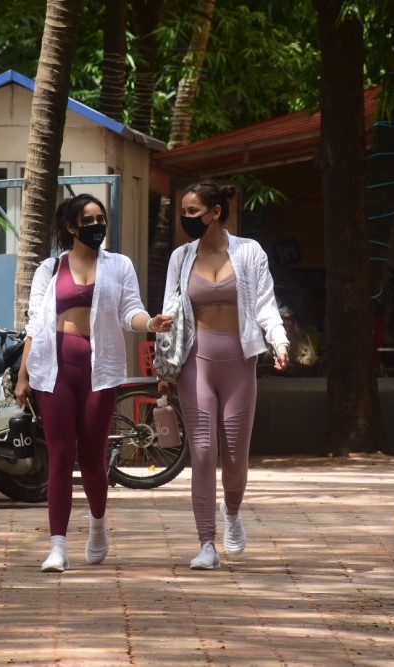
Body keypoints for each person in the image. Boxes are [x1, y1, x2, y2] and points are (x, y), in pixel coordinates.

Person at [16, 193, 173, 573]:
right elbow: (35, 324)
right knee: (59, 455)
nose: (96, 225)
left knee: (92, 458)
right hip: (54, 367)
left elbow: (130, 311)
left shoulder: (119, 265)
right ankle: (57, 546)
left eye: (100, 218)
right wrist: (23, 375)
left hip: (99, 368)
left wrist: (149, 324)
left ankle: (99, 525)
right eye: (87, 220)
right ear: (71, 227)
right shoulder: (49, 269)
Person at [158, 180, 290, 570]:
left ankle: (231, 511)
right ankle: (206, 544)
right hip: (195, 360)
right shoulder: (181, 258)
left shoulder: (249, 253)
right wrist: (164, 365)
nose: (186, 219)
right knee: (202, 452)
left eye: (193, 212)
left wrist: (279, 341)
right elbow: (170, 309)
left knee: (234, 458)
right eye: (184, 212)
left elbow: (265, 304)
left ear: (215, 212)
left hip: (239, 361)